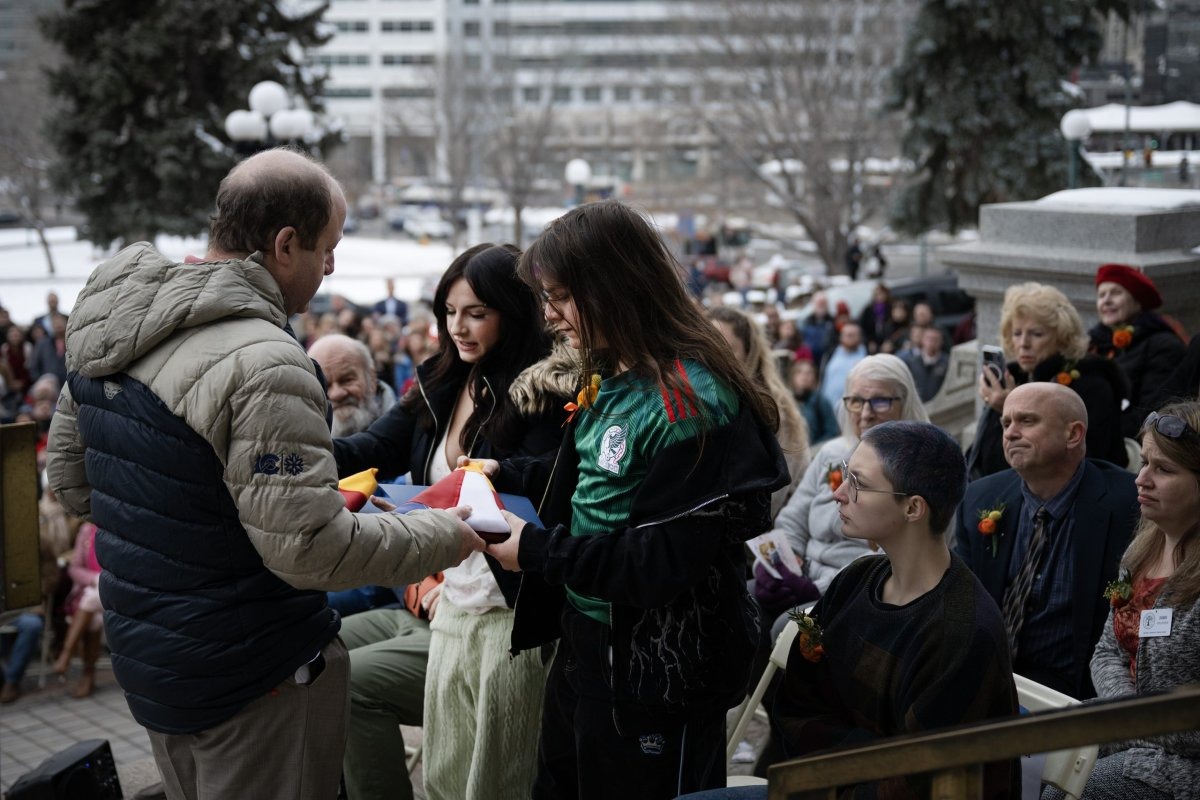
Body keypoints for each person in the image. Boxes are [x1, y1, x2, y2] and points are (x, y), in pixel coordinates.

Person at [45, 148, 481, 800]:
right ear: (284, 245)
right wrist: (449, 532)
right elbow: (312, 553)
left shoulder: (116, 324)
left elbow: (74, 482)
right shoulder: (265, 359)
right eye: (327, 248)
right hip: (252, 675)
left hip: (152, 663)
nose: (331, 266)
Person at [485, 199, 789, 799]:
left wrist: (538, 551)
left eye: (563, 297)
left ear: (616, 287)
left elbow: (660, 563)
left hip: (655, 669)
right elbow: (602, 477)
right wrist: (506, 472)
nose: (551, 317)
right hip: (586, 641)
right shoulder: (617, 373)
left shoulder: (690, 402)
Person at [333, 243, 572, 800]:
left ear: (513, 313)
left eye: (476, 313)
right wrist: (287, 451)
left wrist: (499, 470)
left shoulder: (545, 390)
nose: (457, 327)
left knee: (496, 783)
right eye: (448, 311)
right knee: (444, 777)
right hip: (452, 604)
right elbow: (371, 447)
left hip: (510, 614)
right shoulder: (441, 381)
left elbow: (558, 477)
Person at [681, 422, 1020, 800]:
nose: (839, 493)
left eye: (857, 482)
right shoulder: (859, 578)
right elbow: (795, 705)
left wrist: (835, 756)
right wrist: (869, 752)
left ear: (912, 508)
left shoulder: (960, 631)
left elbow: (917, 784)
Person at [954, 382, 1137, 698]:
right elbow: (958, 599)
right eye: (1006, 423)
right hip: (989, 679)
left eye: (1027, 421)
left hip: (1073, 691)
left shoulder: (1129, 505)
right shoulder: (979, 498)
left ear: (1073, 435)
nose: (1010, 433)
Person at [1057, 400, 1200, 800]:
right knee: (1026, 763)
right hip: (1129, 732)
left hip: (1180, 767)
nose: (1141, 479)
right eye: (1144, 462)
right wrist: (1122, 715)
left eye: (1164, 469)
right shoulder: (1140, 549)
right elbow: (1106, 652)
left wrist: (1125, 725)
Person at [759, 354, 930, 633]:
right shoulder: (832, 453)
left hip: (861, 590)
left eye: (880, 401)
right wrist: (778, 566)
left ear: (905, 402)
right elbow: (792, 520)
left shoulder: (915, 471)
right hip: (803, 573)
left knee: (787, 628)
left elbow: (891, 558)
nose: (865, 414)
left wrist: (817, 588)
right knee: (748, 602)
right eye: (856, 401)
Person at [971, 281, 1128, 479]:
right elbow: (983, 458)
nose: (1023, 343)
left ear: (1063, 337)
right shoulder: (1012, 378)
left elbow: (1084, 462)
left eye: (1036, 334)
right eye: (1017, 333)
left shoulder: (1091, 385)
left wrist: (1007, 407)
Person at [709, 305, 810, 517]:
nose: (713, 357)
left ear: (748, 353)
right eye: (706, 346)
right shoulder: (701, 402)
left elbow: (776, 491)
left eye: (726, 348)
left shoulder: (771, 407)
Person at [1088, 263, 1186, 438]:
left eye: (1116, 293)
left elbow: (1152, 410)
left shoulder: (1163, 346)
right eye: (1101, 295)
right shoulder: (1093, 341)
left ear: (1137, 300)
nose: (1106, 300)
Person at [52, 521, 103, 698]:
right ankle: (88, 676)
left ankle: (67, 653)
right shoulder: (87, 530)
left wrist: (104, 579)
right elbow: (74, 569)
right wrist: (94, 579)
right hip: (92, 591)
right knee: (94, 620)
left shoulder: (117, 526)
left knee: (90, 601)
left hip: (115, 591)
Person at [308, 333, 387, 439]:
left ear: (372, 380)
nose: (337, 394)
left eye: (347, 380)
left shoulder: (408, 436)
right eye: (325, 386)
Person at [818, 321, 867, 410]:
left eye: (852, 335)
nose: (849, 337)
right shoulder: (830, 353)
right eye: (846, 335)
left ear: (860, 337)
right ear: (841, 337)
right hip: (828, 409)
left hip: (853, 409)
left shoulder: (867, 355)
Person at [790, 358, 839, 445]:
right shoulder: (788, 401)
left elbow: (832, 432)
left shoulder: (821, 401)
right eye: (799, 372)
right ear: (793, 377)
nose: (804, 376)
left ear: (814, 377)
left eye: (809, 373)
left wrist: (814, 449)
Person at [902, 326, 950, 402]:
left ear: (941, 342)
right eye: (929, 339)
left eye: (935, 339)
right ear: (922, 340)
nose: (931, 342)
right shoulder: (911, 362)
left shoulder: (947, 362)